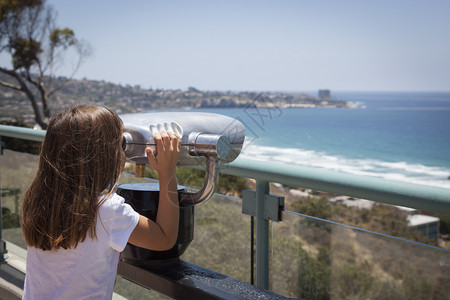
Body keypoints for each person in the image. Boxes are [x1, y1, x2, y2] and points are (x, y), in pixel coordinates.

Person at [20, 105, 180, 299]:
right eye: (121, 144)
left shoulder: (38, 202)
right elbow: (164, 238)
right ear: (104, 156)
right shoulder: (107, 211)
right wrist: (167, 172)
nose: (124, 152)